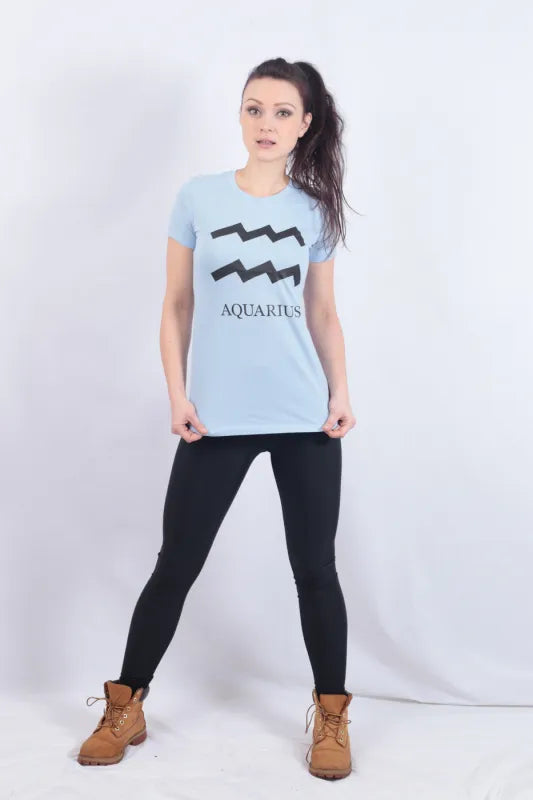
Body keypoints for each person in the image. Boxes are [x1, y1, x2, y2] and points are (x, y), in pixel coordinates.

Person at [77, 57, 357, 781]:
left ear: (306, 124)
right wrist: (178, 395)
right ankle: (126, 704)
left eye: (283, 112)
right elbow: (176, 303)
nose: (266, 124)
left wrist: (339, 393)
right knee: (176, 565)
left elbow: (322, 311)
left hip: (301, 415)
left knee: (316, 570)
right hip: (216, 418)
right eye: (254, 108)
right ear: (239, 115)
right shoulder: (197, 197)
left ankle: (331, 716)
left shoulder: (314, 210)